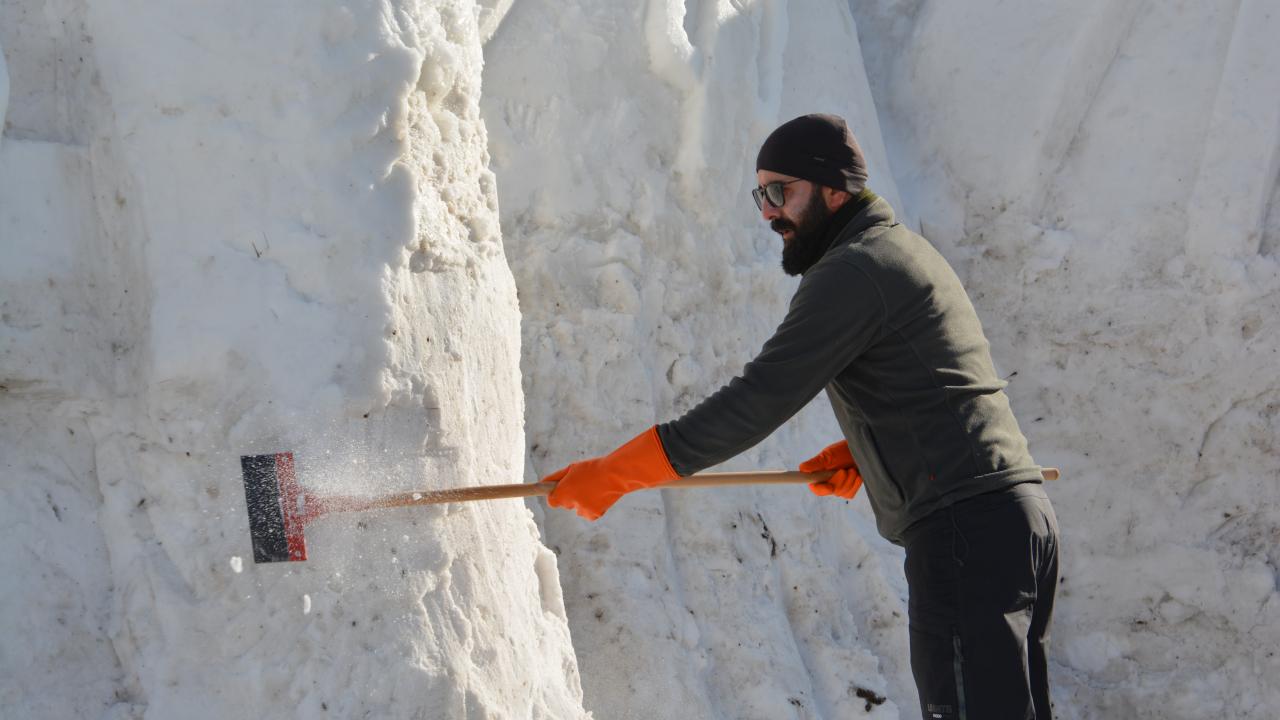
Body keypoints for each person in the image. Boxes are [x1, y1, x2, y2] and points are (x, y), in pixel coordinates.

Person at [540, 113, 1060, 720]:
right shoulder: (899, 252)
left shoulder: (854, 270)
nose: (767, 211)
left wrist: (618, 473)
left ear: (834, 188)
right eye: (760, 194)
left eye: (780, 191)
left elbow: (758, 399)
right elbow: (944, 389)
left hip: (966, 532)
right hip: (1011, 523)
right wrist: (873, 453)